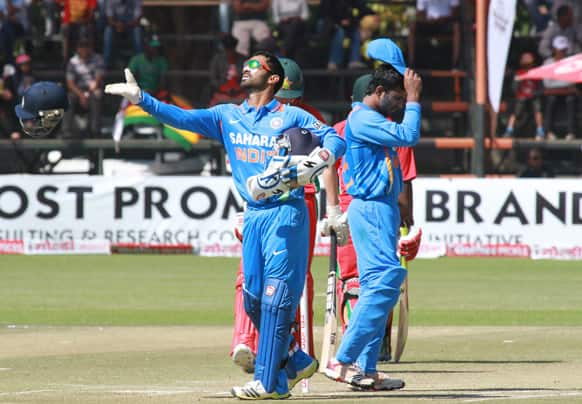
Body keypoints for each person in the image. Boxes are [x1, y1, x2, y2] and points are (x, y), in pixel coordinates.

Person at [105, 50, 346, 400]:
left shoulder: (292, 115)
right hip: (253, 215)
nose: (245, 71)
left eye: (254, 67)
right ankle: (292, 361)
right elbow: (182, 118)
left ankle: (266, 382)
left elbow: (334, 138)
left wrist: (318, 159)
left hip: (286, 212)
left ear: (273, 78)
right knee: (251, 300)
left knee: (276, 300)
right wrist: (142, 100)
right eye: (245, 67)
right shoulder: (227, 116)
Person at [323, 61, 422, 390]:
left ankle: (366, 368)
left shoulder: (372, 117)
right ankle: (343, 360)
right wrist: (416, 97)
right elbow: (409, 135)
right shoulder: (363, 118)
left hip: (382, 208)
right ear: (378, 92)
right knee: (386, 281)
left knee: (375, 287)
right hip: (372, 209)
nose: (402, 103)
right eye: (398, 97)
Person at [230, 57, 327, 375]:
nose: (284, 105)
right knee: (250, 280)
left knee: (291, 282)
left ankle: (286, 348)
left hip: (298, 204)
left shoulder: (305, 118)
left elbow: (328, 162)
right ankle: (251, 342)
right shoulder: (250, 113)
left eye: (290, 99)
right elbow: (247, 164)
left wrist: (334, 208)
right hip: (260, 205)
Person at [63, 37, 105, 138]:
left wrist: (88, 94)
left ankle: (95, 130)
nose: (84, 49)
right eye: (81, 46)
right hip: (77, 90)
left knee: (97, 95)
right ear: (77, 49)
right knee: (68, 98)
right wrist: (82, 95)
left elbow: (98, 78)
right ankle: (66, 130)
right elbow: (70, 83)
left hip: (93, 88)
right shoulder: (72, 62)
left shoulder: (97, 59)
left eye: (86, 46)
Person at [542, 35, 577, 140]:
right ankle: (548, 132)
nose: (562, 52)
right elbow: (547, 85)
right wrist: (564, 88)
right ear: (554, 49)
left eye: (564, 49)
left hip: (566, 95)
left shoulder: (571, 63)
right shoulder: (547, 63)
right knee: (551, 99)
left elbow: (572, 84)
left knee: (571, 100)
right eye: (560, 49)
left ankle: (571, 132)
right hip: (554, 95)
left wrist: (558, 88)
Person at [503, 51, 545, 139]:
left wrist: (534, 93)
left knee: (537, 107)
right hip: (521, 97)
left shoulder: (536, 73)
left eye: (528, 58)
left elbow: (541, 88)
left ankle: (540, 130)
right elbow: (513, 89)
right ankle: (509, 130)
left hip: (533, 97)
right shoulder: (518, 73)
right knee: (516, 110)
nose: (527, 60)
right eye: (525, 58)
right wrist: (518, 84)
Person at [407, 0, 461, 68]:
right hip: (428, 23)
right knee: (412, 26)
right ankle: (411, 63)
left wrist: (444, 19)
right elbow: (419, 14)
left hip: (446, 23)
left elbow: (456, 12)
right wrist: (428, 20)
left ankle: (456, 64)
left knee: (456, 26)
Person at [208, 32, 247, 107]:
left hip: (240, 92)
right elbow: (213, 78)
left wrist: (239, 87)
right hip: (222, 92)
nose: (229, 52)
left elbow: (247, 78)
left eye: (231, 49)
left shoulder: (242, 59)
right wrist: (222, 87)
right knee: (212, 109)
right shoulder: (217, 59)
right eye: (227, 49)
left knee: (249, 105)